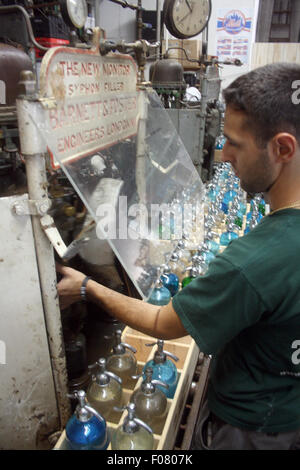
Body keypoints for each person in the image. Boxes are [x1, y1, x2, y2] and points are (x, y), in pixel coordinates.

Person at [57, 63, 300, 450]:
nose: (222, 156)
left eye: (234, 143)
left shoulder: (257, 261)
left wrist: (87, 287)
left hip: (251, 428)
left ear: (282, 148)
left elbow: (161, 321)